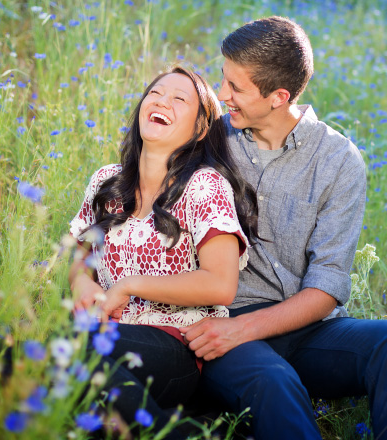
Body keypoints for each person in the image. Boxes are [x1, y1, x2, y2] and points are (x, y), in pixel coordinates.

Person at [179, 17, 387, 439]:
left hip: (301, 327)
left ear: (279, 97)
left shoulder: (339, 160)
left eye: (236, 87)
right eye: (223, 80)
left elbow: (326, 288)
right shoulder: (208, 139)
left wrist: (245, 328)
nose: (221, 94)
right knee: (273, 380)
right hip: (220, 322)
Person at [67, 66, 257, 436]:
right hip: (106, 336)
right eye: (155, 93)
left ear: (201, 128)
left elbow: (221, 284)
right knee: (12, 358)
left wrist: (128, 286)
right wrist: (80, 283)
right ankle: (189, 432)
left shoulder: (204, 185)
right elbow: (78, 254)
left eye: (179, 98)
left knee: (78, 349)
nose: (161, 101)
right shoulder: (107, 182)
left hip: (174, 346)